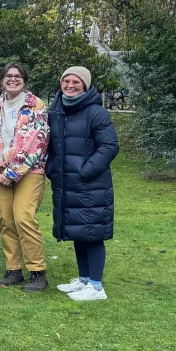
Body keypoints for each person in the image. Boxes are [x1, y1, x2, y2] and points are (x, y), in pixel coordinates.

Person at [47, 66, 119, 301]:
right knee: (78, 231)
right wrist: (52, 169)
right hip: (66, 183)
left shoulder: (96, 112)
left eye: (75, 81)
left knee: (93, 233)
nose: (69, 85)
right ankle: (84, 279)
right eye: (66, 80)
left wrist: (85, 171)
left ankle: (97, 287)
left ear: (85, 85)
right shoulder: (56, 111)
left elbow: (109, 146)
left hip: (90, 184)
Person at [0, 63, 51, 292]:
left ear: (24, 80)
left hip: (29, 172)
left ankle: (37, 272)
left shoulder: (35, 105)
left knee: (24, 218)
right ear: (1, 80)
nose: (13, 79)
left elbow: (36, 140)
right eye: (8, 76)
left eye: (17, 76)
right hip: (0, 174)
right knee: (6, 220)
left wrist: (12, 174)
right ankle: (13, 270)